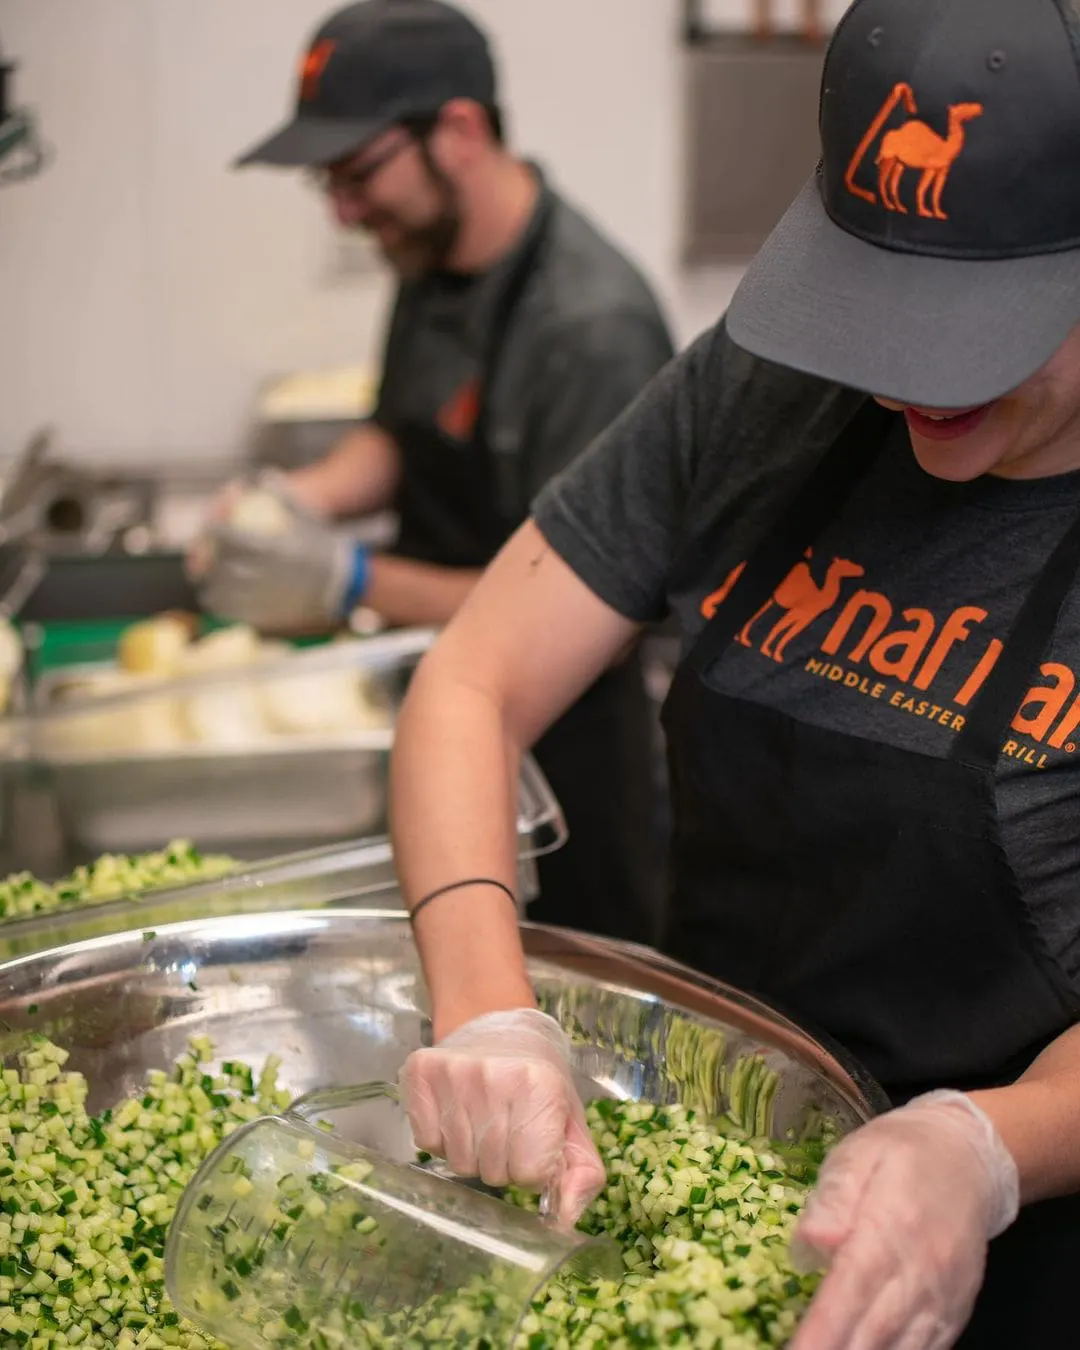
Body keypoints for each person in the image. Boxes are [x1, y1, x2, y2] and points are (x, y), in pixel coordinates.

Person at [389, 0, 1080, 1344]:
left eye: (972, 326)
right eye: (882, 303)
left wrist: (985, 1148)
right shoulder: (764, 395)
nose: (910, 386)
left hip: (1016, 1257)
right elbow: (471, 683)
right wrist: (487, 1011)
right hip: (697, 1187)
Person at [196, 0, 674, 944]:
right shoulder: (429, 256)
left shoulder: (591, 329)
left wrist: (351, 579)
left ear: (457, 131)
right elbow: (402, 434)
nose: (342, 210)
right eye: (328, 182)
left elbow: (587, 623)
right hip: (444, 706)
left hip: (561, 764)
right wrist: (297, 501)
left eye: (358, 172)